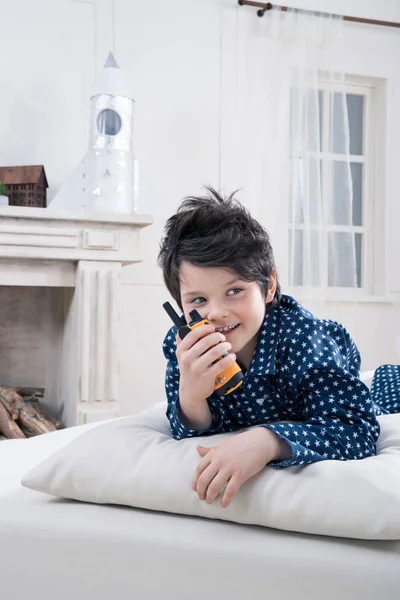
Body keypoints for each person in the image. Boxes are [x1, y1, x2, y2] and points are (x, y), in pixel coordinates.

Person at [157, 187, 400, 508]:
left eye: (234, 291)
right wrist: (191, 395)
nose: (215, 313)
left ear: (268, 286)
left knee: (382, 398)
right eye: (199, 300)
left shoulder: (305, 340)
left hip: (327, 377)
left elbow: (356, 430)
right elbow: (186, 432)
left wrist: (266, 440)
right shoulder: (187, 346)